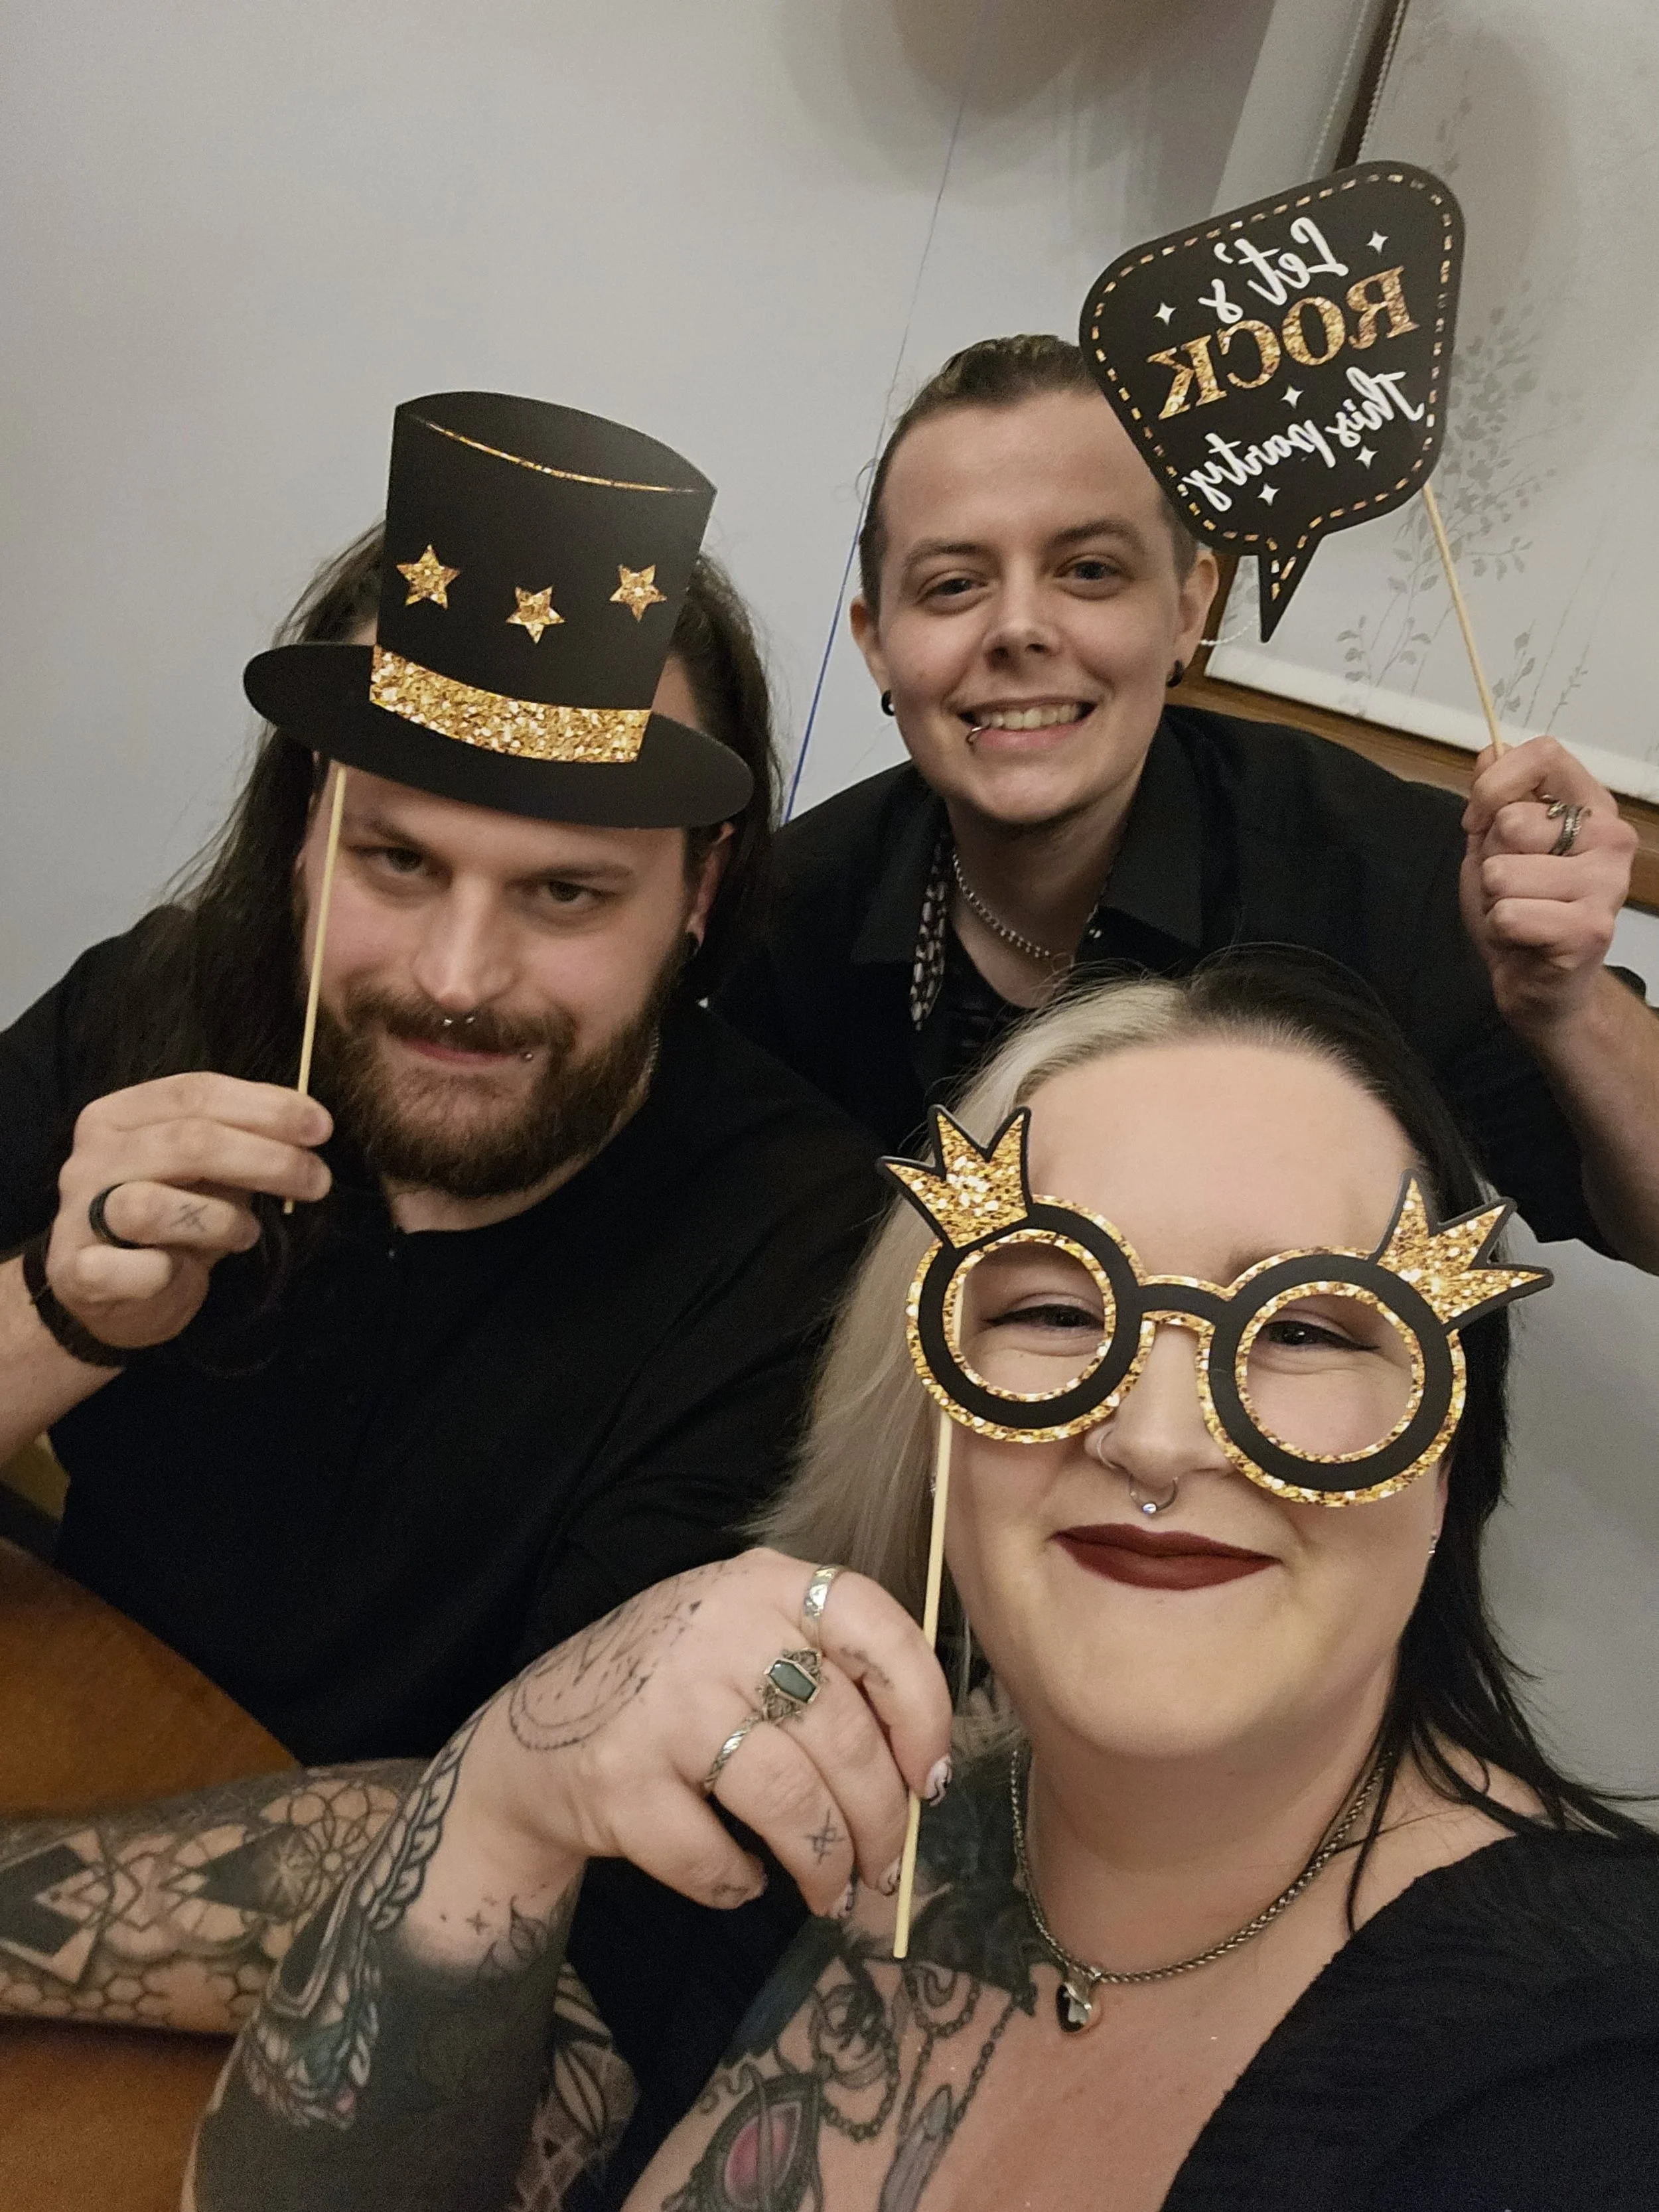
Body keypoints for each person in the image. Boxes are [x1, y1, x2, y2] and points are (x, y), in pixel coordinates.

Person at [9, 955, 1648, 2208]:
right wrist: (510, 1785)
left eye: (1299, 1330)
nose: (1155, 1434)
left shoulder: (1581, 2077)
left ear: (1447, 1450)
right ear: (924, 1404)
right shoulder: (836, 1821)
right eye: (1048, 1310)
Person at [0, 390, 880, 1766]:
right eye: (397, 862)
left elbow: (554, 1812)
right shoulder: (152, 1011)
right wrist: (60, 1315)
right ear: (304, 833)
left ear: (699, 889)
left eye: (567, 892)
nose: (458, 976)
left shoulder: (798, 1253)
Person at [718, 334, 1659, 1271]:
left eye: (1089, 570)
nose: (1018, 629)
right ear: (879, 642)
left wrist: (1568, 1009)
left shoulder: (1384, 871)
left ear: (1185, 610)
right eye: (954, 585)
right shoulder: (786, 912)